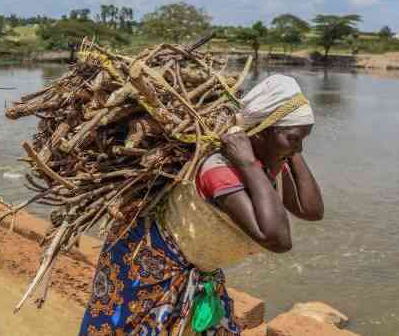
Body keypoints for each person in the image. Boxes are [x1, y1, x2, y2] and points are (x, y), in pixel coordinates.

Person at [79, 75, 324, 335]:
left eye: (304, 139)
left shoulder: (269, 162)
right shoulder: (220, 168)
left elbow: (311, 210)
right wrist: (248, 164)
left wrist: (291, 148)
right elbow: (278, 240)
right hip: (148, 265)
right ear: (262, 132)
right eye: (294, 138)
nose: (300, 148)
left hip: (195, 269)